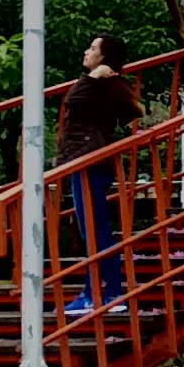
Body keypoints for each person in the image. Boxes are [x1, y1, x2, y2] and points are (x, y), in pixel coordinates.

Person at [59, 36, 143, 320]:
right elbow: (133, 110)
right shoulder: (108, 85)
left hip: (90, 160)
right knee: (93, 229)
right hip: (86, 159)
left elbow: (72, 100)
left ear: (104, 57)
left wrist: (95, 76)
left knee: (94, 229)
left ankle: (105, 292)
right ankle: (100, 291)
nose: (86, 51)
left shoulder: (98, 86)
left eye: (93, 49)